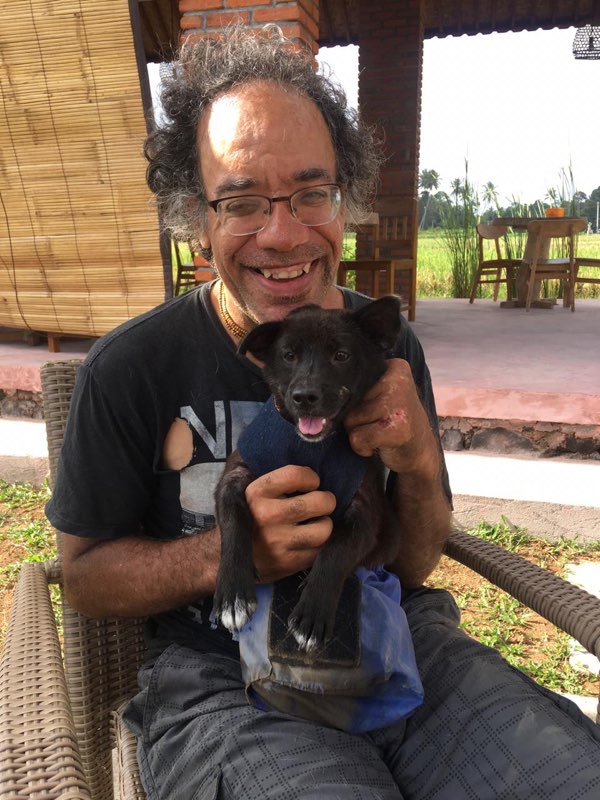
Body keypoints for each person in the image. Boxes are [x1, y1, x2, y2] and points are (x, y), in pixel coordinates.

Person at [46, 24, 600, 800]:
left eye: (312, 193)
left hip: (396, 636)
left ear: (346, 200)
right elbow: (83, 579)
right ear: (196, 217)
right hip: (222, 677)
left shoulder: (383, 347)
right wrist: (228, 554)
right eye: (242, 201)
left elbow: (413, 562)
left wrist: (415, 461)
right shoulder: (131, 365)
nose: (283, 234)